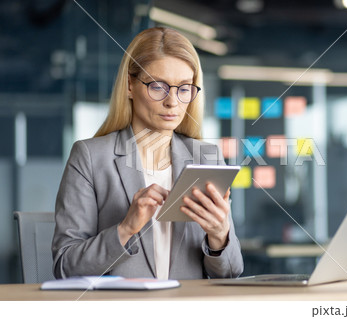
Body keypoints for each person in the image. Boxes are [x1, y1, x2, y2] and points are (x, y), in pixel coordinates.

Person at [52, 27, 244, 280]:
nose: (172, 102)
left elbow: (231, 273)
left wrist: (220, 235)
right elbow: (65, 267)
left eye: (184, 88)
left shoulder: (206, 157)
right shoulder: (90, 157)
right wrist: (125, 229)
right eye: (158, 87)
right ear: (130, 86)